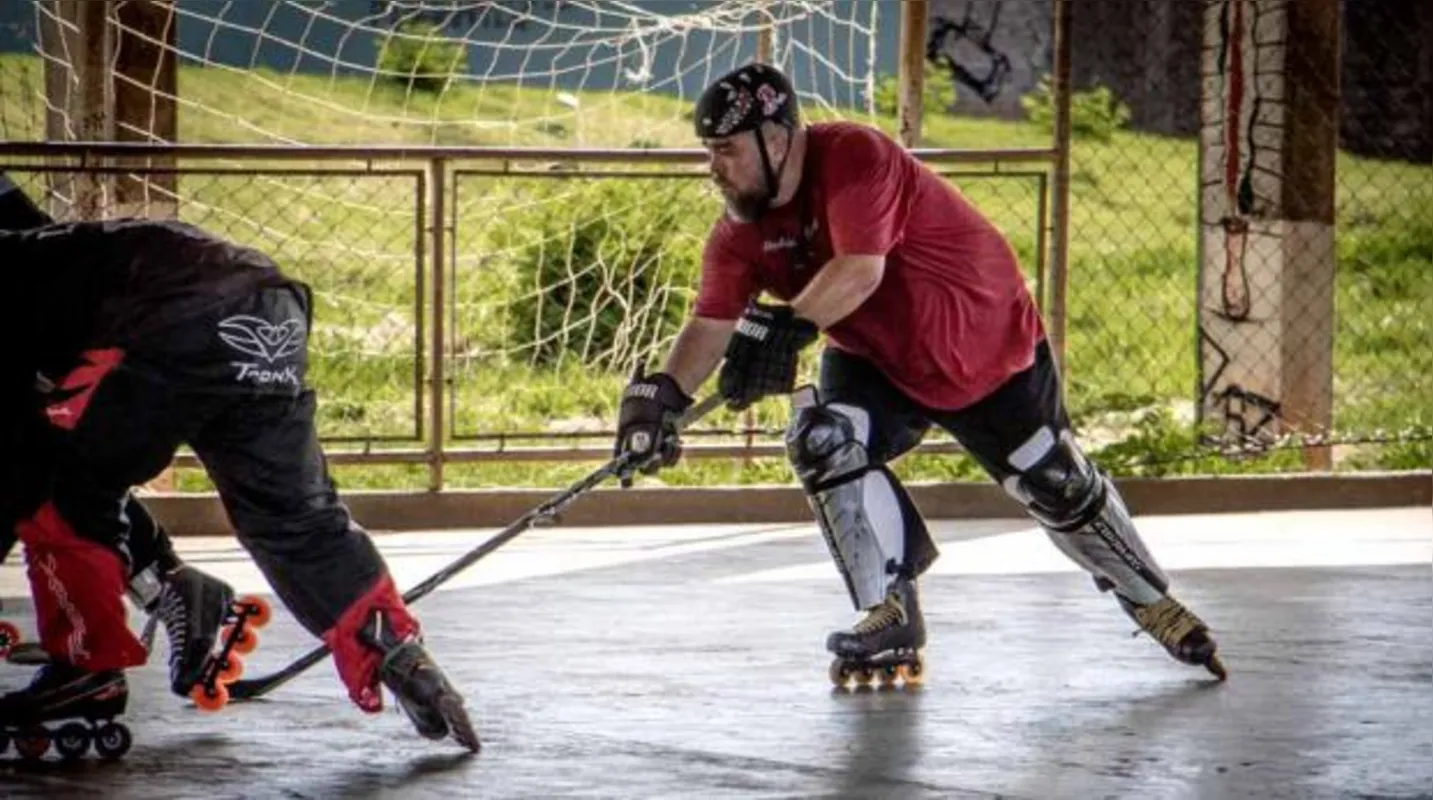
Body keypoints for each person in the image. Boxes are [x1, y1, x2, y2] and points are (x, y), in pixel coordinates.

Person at [611, 63, 1225, 686]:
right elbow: (710, 324)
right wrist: (660, 401)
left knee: (1054, 480)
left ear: (776, 139)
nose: (714, 167)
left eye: (725, 151)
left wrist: (787, 327)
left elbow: (860, 269)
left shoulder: (855, 156)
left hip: (983, 347)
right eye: (709, 152)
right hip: (875, 359)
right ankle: (890, 609)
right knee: (822, 439)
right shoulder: (738, 234)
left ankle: (1152, 600)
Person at [0, 175, 480, 753]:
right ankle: (400, 656)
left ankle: (87, 671)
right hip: (269, 308)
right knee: (296, 518)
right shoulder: (45, 256)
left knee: (56, 491)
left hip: (172, 316)